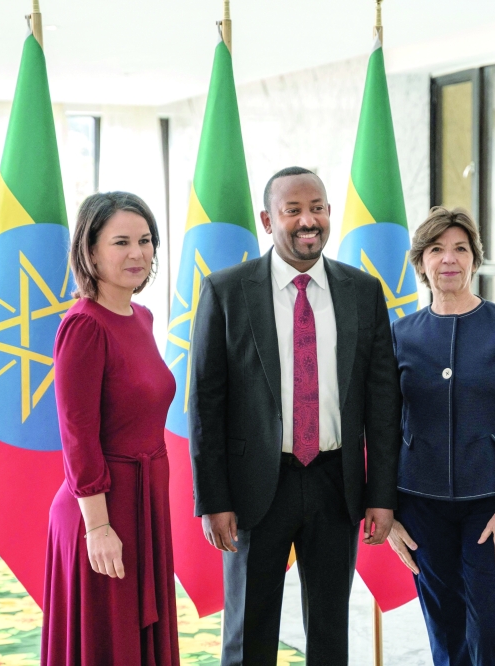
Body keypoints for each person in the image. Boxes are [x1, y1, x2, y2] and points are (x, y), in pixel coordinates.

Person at [188, 167, 401, 666]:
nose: (309, 221)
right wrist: (213, 499)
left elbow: (382, 404)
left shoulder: (363, 291)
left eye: (318, 208)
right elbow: (205, 405)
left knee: (330, 631)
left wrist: (381, 494)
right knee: (249, 631)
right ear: (268, 220)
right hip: (254, 486)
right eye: (293, 211)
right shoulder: (226, 291)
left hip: (335, 483)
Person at [386, 206, 495, 666]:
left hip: (493, 506)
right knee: (446, 631)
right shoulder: (400, 334)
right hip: (421, 509)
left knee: (493, 629)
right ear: (421, 262)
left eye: (460, 248)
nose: (449, 259)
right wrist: (387, 511)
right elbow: (381, 428)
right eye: (437, 249)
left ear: (475, 259)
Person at [41, 192, 179, 666]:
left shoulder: (142, 317)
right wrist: (98, 528)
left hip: (145, 502)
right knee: (107, 643)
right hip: (102, 510)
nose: (138, 253)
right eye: (121, 242)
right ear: (91, 251)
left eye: (145, 240)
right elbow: (77, 435)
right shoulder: (83, 326)